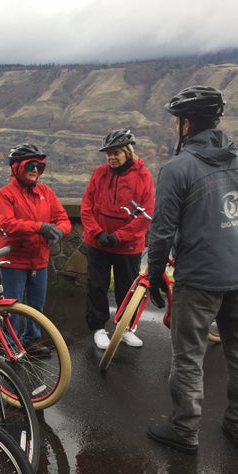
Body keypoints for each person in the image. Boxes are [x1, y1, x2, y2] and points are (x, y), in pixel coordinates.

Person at [146, 85, 238, 454]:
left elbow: (161, 231)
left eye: (179, 120)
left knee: (189, 356)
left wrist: (156, 275)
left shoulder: (178, 169)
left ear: (187, 123)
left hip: (200, 278)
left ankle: (185, 429)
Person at [80, 128, 154, 350]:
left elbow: (145, 213)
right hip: (98, 243)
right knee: (97, 285)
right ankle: (98, 328)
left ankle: (126, 328)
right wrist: (98, 233)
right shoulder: (99, 174)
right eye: (109, 153)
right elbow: (87, 207)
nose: (112, 157)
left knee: (127, 288)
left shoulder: (143, 176)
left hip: (127, 246)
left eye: (116, 153)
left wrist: (119, 237)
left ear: (128, 153)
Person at [0, 144, 71, 350]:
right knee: (12, 305)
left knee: (36, 305)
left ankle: (31, 340)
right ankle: (11, 345)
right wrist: (40, 227)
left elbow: (62, 218)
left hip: (39, 258)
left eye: (38, 165)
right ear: (17, 168)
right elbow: (7, 224)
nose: (35, 169)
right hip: (14, 259)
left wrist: (60, 231)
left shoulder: (46, 192)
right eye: (30, 165)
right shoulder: (5, 194)